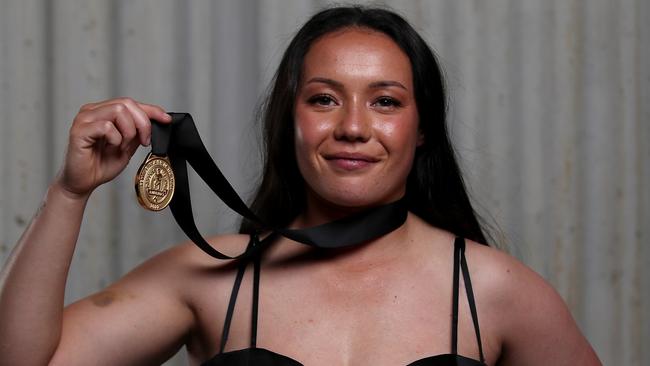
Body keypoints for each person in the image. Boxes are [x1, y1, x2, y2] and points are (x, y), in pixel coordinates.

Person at [0, 6, 601, 366]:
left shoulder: (495, 289)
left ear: (422, 130)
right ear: (290, 122)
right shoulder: (207, 279)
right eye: (323, 99)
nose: (354, 128)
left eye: (386, 102)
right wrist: (69, 194)